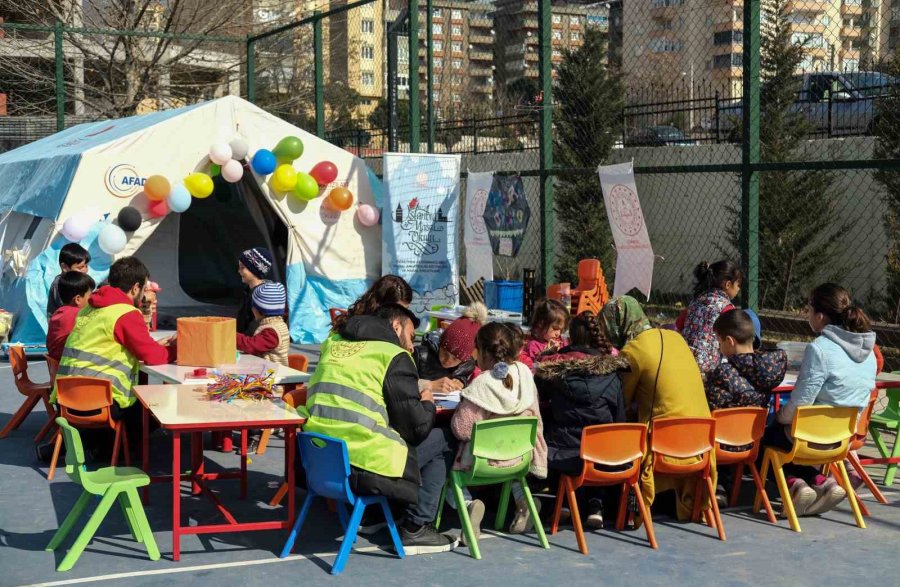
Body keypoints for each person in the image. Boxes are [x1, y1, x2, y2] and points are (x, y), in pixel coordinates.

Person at [303, 303, 459, 555]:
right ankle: (416, 527)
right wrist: (427, 398)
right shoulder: (391, 355)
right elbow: (417, 427)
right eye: (410, 336)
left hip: (320, 462)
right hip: (365, 463)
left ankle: (376, 514)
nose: (411, 346)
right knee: (445, 437)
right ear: (396, 326)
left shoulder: (334, 343)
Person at [601, 295, 716, 522]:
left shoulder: (633, 351)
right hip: (701, 443)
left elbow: (621, 403)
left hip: (664, 447)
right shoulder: (676, 338)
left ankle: (625, 508)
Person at [766, 283, 876, 517]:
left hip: (810, 438)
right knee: (789, 437)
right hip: (842, 439)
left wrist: (778, 417)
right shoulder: (869, 353)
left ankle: (795, 484)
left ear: (820, 315)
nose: (807, 316)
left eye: (808, 310)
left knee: (764, 438)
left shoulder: (820, 349)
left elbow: (801, 402)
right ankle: (823, 482)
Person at [53, 256, 177, 448]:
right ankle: (105, 449)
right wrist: (177, 349)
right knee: (153, 415)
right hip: (100, 403)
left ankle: (85, 444)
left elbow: (108, 344)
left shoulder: (89, 309)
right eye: (144, 289)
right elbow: (154, 357)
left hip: (65, 398)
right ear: (135, 288)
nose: (144, 295)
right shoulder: (125, 313)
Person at [451, 323, 547, 538]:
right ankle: (523, 501)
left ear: (483, 351)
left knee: (447, 470)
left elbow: (462, 429)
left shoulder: (482, 384)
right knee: (510, 465)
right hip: (520, 458)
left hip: (483, 463)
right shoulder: (524, 374)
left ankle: (467, 504)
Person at [535, 311, 629, 528]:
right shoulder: (613, 372)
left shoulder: (554, 369)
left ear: (571, 337)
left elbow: (539, 400)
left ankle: (566, 501)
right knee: (598, 434)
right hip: (603, 454)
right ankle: (596, 504)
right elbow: (619, 418)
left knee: (556, 428)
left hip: (563, 451)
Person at [705, 309, 787, 411]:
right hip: (757, 427)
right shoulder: (768, 370)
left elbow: (710, 409)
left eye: (719, 342)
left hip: (727, 426)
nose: (718, 347)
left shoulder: (723, 374)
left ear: (730, 341)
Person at [681, 260, 742, 374]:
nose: (739, 289)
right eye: (738, 285)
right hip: (707, 369)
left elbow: (679, 325)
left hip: (684, 360)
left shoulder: (695, 300)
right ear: (728, 284)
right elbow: (731, 342)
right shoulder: (727, 308)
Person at [414, 302, 485, 393]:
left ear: (463, 359)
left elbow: (463, 374)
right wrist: (429, 385)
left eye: (455, 358)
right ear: (440, 344)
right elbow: (400, 382)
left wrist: (461, 381)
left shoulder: (467, 364)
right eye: (445, 353)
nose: (447, 360)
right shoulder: (421, 355)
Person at [331, 274, 414, 332]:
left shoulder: (355, 320)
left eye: (405, 311)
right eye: (398, 311)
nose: (402, 316)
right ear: (382, 305)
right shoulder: (364, 329)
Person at [236, 282, 290, 367]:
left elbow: (252, 345)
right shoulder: (276, 324)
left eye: (253, 307)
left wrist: (231, 335)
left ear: (259, 310)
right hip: (267, 371)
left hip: (272, 374)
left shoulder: (272, 331)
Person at [46, 271, 96, 363]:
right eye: (90, 295)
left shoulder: (58, 313)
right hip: (72, 368)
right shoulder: (79, 315)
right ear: (77, 299)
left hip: (59, 367)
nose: (92, 298)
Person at [236, 247, 274, 336]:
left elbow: (258, 323)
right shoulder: (248, 290)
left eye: (242, 268)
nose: (239, 271)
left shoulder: (262, 294)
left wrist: (243, 339)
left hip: (252, 342)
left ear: (255, 270)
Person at [47, 243, 91, 318]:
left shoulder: (79, 279)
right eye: (80, 268)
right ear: (65, 267)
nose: (85, 270)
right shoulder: (60, 285)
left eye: (86, 266)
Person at [523, 298, 570, 366]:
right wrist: (548, 353)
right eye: (555, 328)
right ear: (540, 323)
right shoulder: (533, 346)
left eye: (561, 330)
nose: (558, 333)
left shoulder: (563, 342)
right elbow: (536, 367)